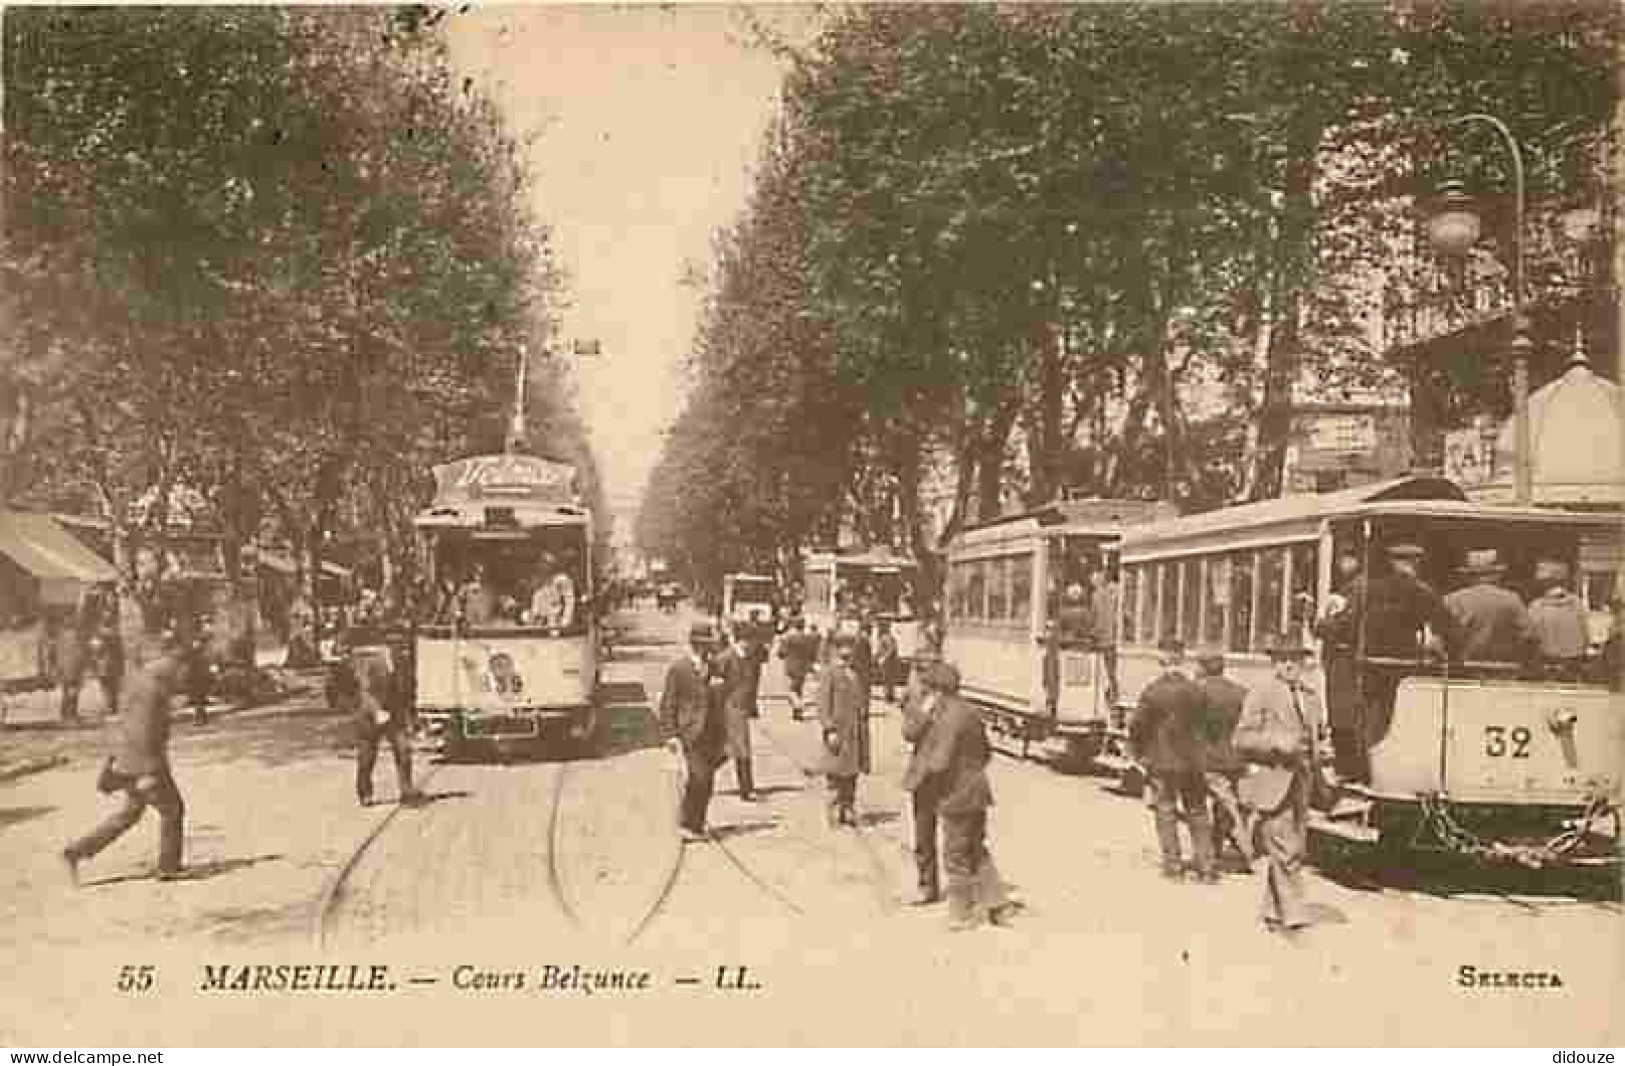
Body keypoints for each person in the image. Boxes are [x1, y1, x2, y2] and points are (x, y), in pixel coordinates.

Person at [61, 623, 190, 886]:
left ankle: (75, 852)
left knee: (129, 814)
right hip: (143, 763)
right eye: (181, 668)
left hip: (129, 761)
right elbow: (141, 733)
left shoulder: (134, 683)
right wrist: (149, 773)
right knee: (172, 810)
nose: (184, 675)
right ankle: (169, 867)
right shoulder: (148, 688)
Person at [1232, 636, 1324, 937]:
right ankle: (1294, 915)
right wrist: (1276, 743)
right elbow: (1241, 738)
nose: (1290, 665)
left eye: (1296, 659)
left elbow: (1317, 737)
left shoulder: (1312, 697)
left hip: (1302, 780)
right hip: (1273, 780)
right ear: (1275, 663)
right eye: (1284, 659)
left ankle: (1272, 910)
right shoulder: (1262, 693)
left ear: (1303, 663)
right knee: (1285, 849)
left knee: (1294, 846)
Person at [908, 660, 1007, 931]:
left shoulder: (950, 716)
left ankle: (961, 914)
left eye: (930, 689)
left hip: (955, 793)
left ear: (939, 690)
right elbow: (987, 752)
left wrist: (927, 777)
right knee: (976, 847)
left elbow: (940, 761)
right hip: (977, 790)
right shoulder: (970, 711)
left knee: (955, 854)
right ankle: (996, 902)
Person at [1128, 637, 1215, 881]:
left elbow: (1138, 726)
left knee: (1165, 811)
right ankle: (1206, 867)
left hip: (1163, 761)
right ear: (1183, 658)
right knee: (1197, 811)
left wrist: (1137, 752)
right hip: (1193, 761)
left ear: (1162, 658)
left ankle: (1174, 866)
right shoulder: (1197, 690)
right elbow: (1208, 725)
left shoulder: (1153, 691)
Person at [342, 625, 422, 808]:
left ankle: (406, 790)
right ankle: (365, 793)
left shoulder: (404, 664)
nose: (401, 647)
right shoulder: (373, 662)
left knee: (403, 750)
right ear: (387, 644)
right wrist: (377, 711)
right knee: (367, 757)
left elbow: (407, 692)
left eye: (403, 643)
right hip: (370, 714)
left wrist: (413, 717)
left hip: (394, 714)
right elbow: (366, 691)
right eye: (396, 643)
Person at [661, 622, 725, 841]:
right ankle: (687, 822)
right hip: (690, 731)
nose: (708, 650)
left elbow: (721, 698)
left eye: (710, 646)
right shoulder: (679, 669)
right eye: (704, 645)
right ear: (695, 645)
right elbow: (668, 703)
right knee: (698, 777)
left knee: (707, 782)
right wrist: (671, 734)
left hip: (713, 732)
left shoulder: (715, 667)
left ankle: (696, 824)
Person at [1193, 647, 1253, 869]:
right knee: (1225, 805)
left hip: (1209, 760)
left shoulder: (1197, 693)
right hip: (1236, 760)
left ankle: (1241, 851)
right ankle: (1217, 850)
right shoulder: (1241, 692)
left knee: (1213, 807)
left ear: (1202, 668)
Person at [1314, 548, 1368, 781]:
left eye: (1346, 558)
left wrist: (1317, 622)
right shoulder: (1358, 587)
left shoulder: (1355, 589)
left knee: (1342, 716)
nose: (1341, 563)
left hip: (1345, 662)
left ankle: (1349, 769)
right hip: (1348, 661)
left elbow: (1339, 626)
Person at [1444, 548, 1538, 665]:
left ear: (1468, 575)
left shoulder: (1452, 599)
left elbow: (1439, 639)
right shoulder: (1511, 599)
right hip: (1502, 669)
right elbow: (1530, 637)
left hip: (1463, 668)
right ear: (1497, 575)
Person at [817, 631, 870, 828]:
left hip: (855, 733)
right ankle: (833, 811)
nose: (847, 652)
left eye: (850, 648)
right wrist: (829, 729)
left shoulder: (854, 674)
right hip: (838, 732)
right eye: (843, 648)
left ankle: (848, 809)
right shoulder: (830, 673)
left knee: (852, 774)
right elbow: (822, 703)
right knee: (835, 774)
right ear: (836, 650)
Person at [714, 627, 759, 802]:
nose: (750, 645)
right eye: (747, 641)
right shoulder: (725, 658)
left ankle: (702, 773)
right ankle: (746, 789)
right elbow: (715, 685)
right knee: (742, 748)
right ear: (739, 640)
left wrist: (752, 706)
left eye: (751, 641)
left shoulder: (751, 658)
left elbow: (753, 684)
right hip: (729, 708)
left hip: (742, 707)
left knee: (730, 749)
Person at [1526, 559, 1589, 675]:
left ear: (1546, 582)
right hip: (1573, 666)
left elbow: (1530, 639)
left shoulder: (1536, 606)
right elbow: (1585, 639)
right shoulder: (1577, 604)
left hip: (1544, 666)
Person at [1090, 570, 1121, 707]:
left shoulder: (1096, 596)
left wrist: (1094, 633)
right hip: (1112, 639)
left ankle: (1107, 698)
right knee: (1111, 671)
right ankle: (1114, 695)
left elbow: (1096, 619)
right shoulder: (1113, 595)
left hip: (1102, 639)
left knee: (1102, 671)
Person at [778, 617, 817, 721]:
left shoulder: (788, 638)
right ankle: (796, 713)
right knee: (798, 689)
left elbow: (781, 653)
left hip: (790, 667)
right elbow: (812, 654)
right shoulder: (808, 638)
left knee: (791, 690)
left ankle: (798, 706)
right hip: (803, 667)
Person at [874, 620, 900, 704]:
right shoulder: (888, 637)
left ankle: (888, 697)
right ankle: (889, 696)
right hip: (889, 662)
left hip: (888, 662)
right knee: (888, 680)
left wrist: (883, 658)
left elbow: (891, 649)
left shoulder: (886, 637)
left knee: (887, 680)